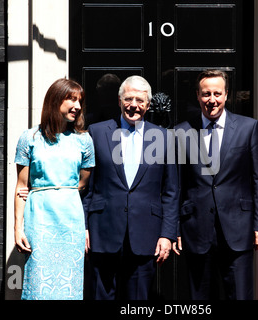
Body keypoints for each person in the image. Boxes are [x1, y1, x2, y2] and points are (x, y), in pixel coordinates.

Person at [174, 69, 258, 300]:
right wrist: (174, 229)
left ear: (227, 95)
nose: (212, 100)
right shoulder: (181, 132)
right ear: (197, 96)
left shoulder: (248, 128)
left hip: (239, 228)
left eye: (217, 93)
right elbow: (175, 185)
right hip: (196, 229)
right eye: (206, 94)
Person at [82, 75, 179, 300]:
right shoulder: (96, 132)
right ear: (119, 101)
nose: (133, 105)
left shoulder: (163, 138)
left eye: (139, 100)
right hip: (102, 232)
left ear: (147, 104)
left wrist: (167, 234)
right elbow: (87, 186)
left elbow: (171, 191)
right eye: (128, 99)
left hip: (146, 234)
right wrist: (83, 226)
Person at [14, 78, 95, 300]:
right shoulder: (29, 138)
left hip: (71, 219)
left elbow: (82, 183)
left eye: (80, 101)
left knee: (69, 283)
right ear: (54, 100)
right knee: (39, 281)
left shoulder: (84, 140)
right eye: (71, 99)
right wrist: (18, 228)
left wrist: (60, 192)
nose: (77, 106)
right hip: (39, 216)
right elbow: (21, 187)